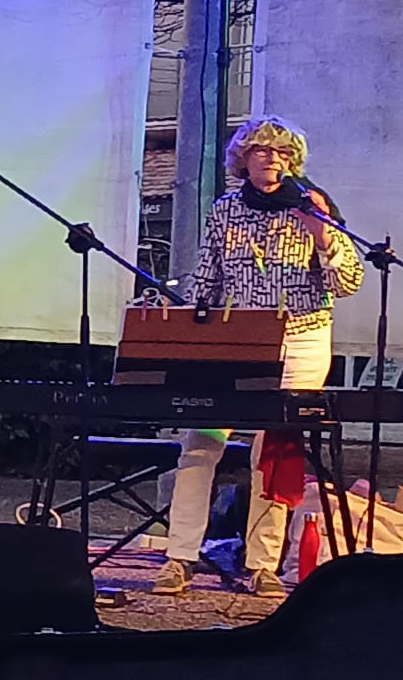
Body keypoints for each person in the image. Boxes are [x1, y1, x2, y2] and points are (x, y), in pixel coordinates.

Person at [154, 115, 362, 598]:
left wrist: (323, 235)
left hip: (302, 341)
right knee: (202, 442)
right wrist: (185, 321)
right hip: (234, 343)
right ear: (242, 160)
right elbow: (205, 279)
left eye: (283, 153)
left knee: (276, 451)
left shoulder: (315, 206)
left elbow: (348, 283)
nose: (274, 159)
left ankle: (262, 565)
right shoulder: (225, 210)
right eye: (263, 151)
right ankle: (179, 556)